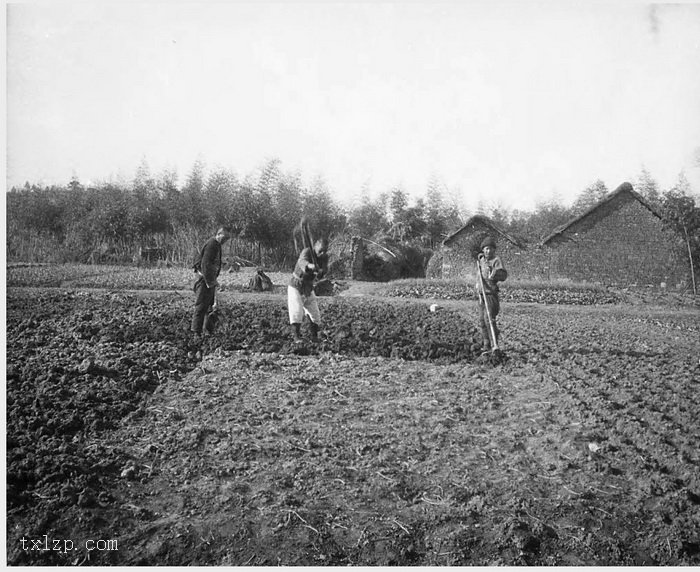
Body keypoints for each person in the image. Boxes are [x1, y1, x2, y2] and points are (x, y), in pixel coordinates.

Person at [191, 227, 231, 339]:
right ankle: (196, 332)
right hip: (203, 280)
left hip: (208, 280)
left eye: (227, 238)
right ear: (219, 234)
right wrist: (211, 282)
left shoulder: (217, 245)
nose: (226, 240)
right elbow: (205, 264)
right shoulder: (212, 244)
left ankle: (207, 331)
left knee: (209, 306)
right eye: (225, 237)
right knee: (201, 305)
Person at [288, 238, 329, 342]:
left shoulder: (324, 257)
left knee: (315, 313)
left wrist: (321, 272)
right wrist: (311, 266)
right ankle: (297, 337)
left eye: (325, 251)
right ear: (315, 246)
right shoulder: (307, 251)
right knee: (296, 311)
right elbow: (302, 262)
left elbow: (324, 270)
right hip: (296, 285)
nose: (323, 253)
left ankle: (314, 337)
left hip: (309, 287)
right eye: (321, 250)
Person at [475, 236, 507, 354]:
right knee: (482, 320)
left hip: (490, 294)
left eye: (491, 249)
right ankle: (486, 344)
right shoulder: (481, 260)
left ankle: (495, 345)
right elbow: (479, 274)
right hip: (481, 294)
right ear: (483, 250)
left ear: (494, 250)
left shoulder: (496, 260)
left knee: (489, 319)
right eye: (486, 249)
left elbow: (503, 275)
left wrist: (494, 273)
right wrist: (477, 285)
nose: (488, 251)